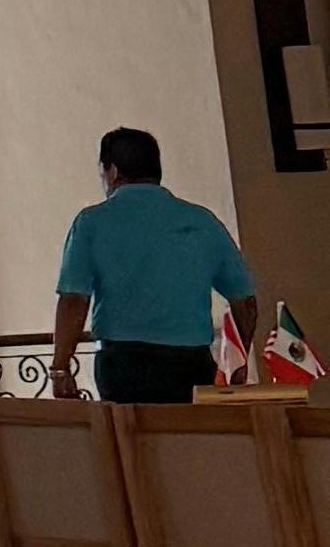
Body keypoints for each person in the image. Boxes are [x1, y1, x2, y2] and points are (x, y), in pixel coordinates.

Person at [47, 127, 255, 406]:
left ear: (112, 171)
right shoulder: (202, 221)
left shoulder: (91, 222)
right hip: (192, 362)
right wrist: (240, 361)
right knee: (193, 433)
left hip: (124, 364)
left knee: (131, 433)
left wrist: (60, 367)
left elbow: (74, 299)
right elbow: (245, 302)